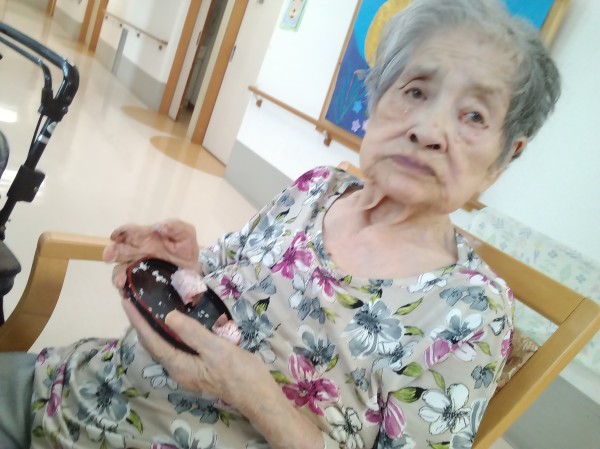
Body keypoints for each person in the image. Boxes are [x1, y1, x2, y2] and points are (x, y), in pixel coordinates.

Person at [0, 0, 561, 448]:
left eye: (473, 115)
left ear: (504, 157)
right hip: (68, 387)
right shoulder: (318, 188)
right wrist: (185, 263)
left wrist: (253, 394)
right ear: (376, 98)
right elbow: (216, 276)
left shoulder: (472, 312)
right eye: (415, 91)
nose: (429, 129)